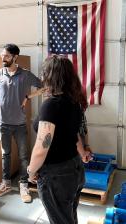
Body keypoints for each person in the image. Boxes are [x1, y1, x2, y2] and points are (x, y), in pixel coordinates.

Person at [27, 55, 86, 224]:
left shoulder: (51, 105)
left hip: (57, 175)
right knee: (68, 216)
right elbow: (74, 134)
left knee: (61, 219)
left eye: (44, 73)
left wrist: (31, 171)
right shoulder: (75, 101)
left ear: (50, 76)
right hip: (75, 169)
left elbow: (42, 147)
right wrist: (82, 154)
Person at [0, 43, 43, 203]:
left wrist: (29, 97)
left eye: (7, 56)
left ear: (15, 57)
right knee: (5, 155)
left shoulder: (25, 75)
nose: (3, 58)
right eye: (2, 55)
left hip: (20, 124)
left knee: (23, 156)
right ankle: (6, 183)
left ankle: (23, 185)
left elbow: (43, 87)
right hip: (3, 123)